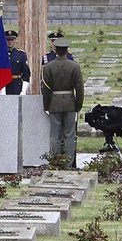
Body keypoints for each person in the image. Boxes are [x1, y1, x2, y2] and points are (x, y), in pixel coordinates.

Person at [41, 35, 84, 167]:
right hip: (70, 103)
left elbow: (46, 89)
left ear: (56, 49)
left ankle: (55, 162)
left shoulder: (48, 67)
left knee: (55, 135)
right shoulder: (74, 66)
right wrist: (78, 105)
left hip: (54, 103)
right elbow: (80, 88)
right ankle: (68, 164)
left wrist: (46, 106)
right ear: (66, 50)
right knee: (69, 135)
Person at [5, 30, 31, 95]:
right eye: (8, 40)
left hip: (17, 86)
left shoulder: (21, 54)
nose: (10, 42)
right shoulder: (0, 54)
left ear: (15, 40)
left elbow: (26, 73)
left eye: (12, 39)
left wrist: (23, 91)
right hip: (3, 85)